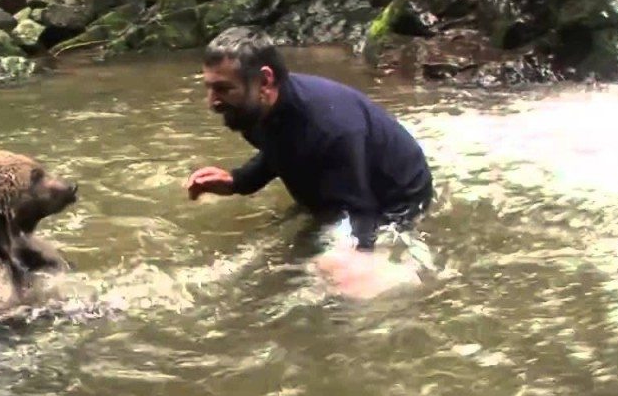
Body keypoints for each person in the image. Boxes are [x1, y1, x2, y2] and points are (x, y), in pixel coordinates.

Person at [185, 26, 433, 251]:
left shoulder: (330, 129)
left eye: (223, 89)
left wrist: (360, 253)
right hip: (342, 181)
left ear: (264, 80)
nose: (212, 102)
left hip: (393, 200)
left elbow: (360, 206)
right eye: (208, 87)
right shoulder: (251, 110)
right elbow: (282, 146)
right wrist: (239, 181)